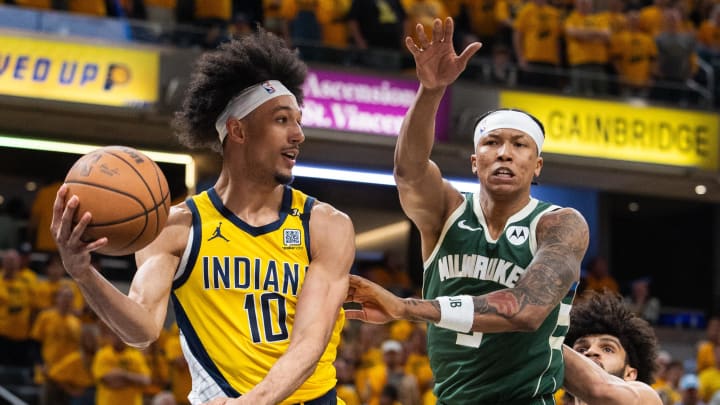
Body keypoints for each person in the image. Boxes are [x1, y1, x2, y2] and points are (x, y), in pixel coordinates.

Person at [51, 29, 355, 405]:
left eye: (298, 120)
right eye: (281, 120)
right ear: (237, 129)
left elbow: (311, 340)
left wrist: (253, 402)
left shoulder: (325, 225)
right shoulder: (176, 228)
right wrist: (83, 272)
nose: (298, 134)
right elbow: (143, 328)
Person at [345, 17, 589, 404]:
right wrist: (431, 90)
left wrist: (405, 307)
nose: (505, 152)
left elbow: (525, 311)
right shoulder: (446, 210)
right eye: (492, 142)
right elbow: (408, 170)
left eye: (520, 145)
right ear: (475, 161)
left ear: (537, 165)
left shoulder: (559, 224)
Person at [562, 291, 662, 404]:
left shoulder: (646, 398)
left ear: (630, 374)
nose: (590, 351)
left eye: (607, 349)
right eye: (581, 350)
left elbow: (599, 390)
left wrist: (548, 341)